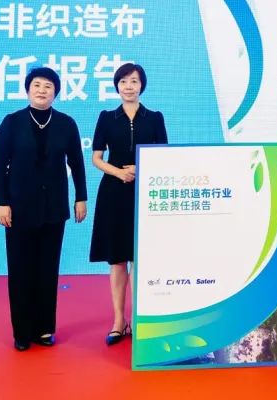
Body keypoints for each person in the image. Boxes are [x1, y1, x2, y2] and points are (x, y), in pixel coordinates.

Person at [0, 66, 87, 351]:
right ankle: (22, 332)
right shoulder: (12, 122)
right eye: (37, 85)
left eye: (48, 86)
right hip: (18, 208)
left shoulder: (67, 124)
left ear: (56, 92)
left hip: (54, 208)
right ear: (27, 89)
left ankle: (44, 329)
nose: (42, 90)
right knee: (20, 270)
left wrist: (81, 197)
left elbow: (77, 163)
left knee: (48, 269)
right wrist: (2, 202)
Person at [89, 63, 168, 346]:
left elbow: (164, 156)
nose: (129, 86)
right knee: (117, 260)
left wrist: (141, 168)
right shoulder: (107, 118)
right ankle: (118, 321)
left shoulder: (155, 118)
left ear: (141, 85)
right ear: (117, 86)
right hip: (113, 192)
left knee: (140, 258)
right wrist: (119, 172)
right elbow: (96, 158)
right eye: (123, 81)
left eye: (134, 81)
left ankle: (137, 319)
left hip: (144, 193)